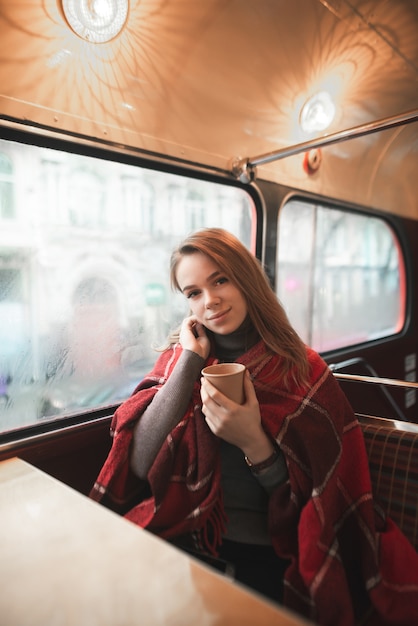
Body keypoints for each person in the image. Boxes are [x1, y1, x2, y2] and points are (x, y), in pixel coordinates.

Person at [90, 228, 418, 626]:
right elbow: (138, 463)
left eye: (220, 280)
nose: (209, 301)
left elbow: (319, 505)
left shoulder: (303, 370)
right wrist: (190, 362)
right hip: (183, 531)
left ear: (245, 280)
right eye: (193, 292)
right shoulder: (182, 359)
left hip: (267, 550)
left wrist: (254, 444)